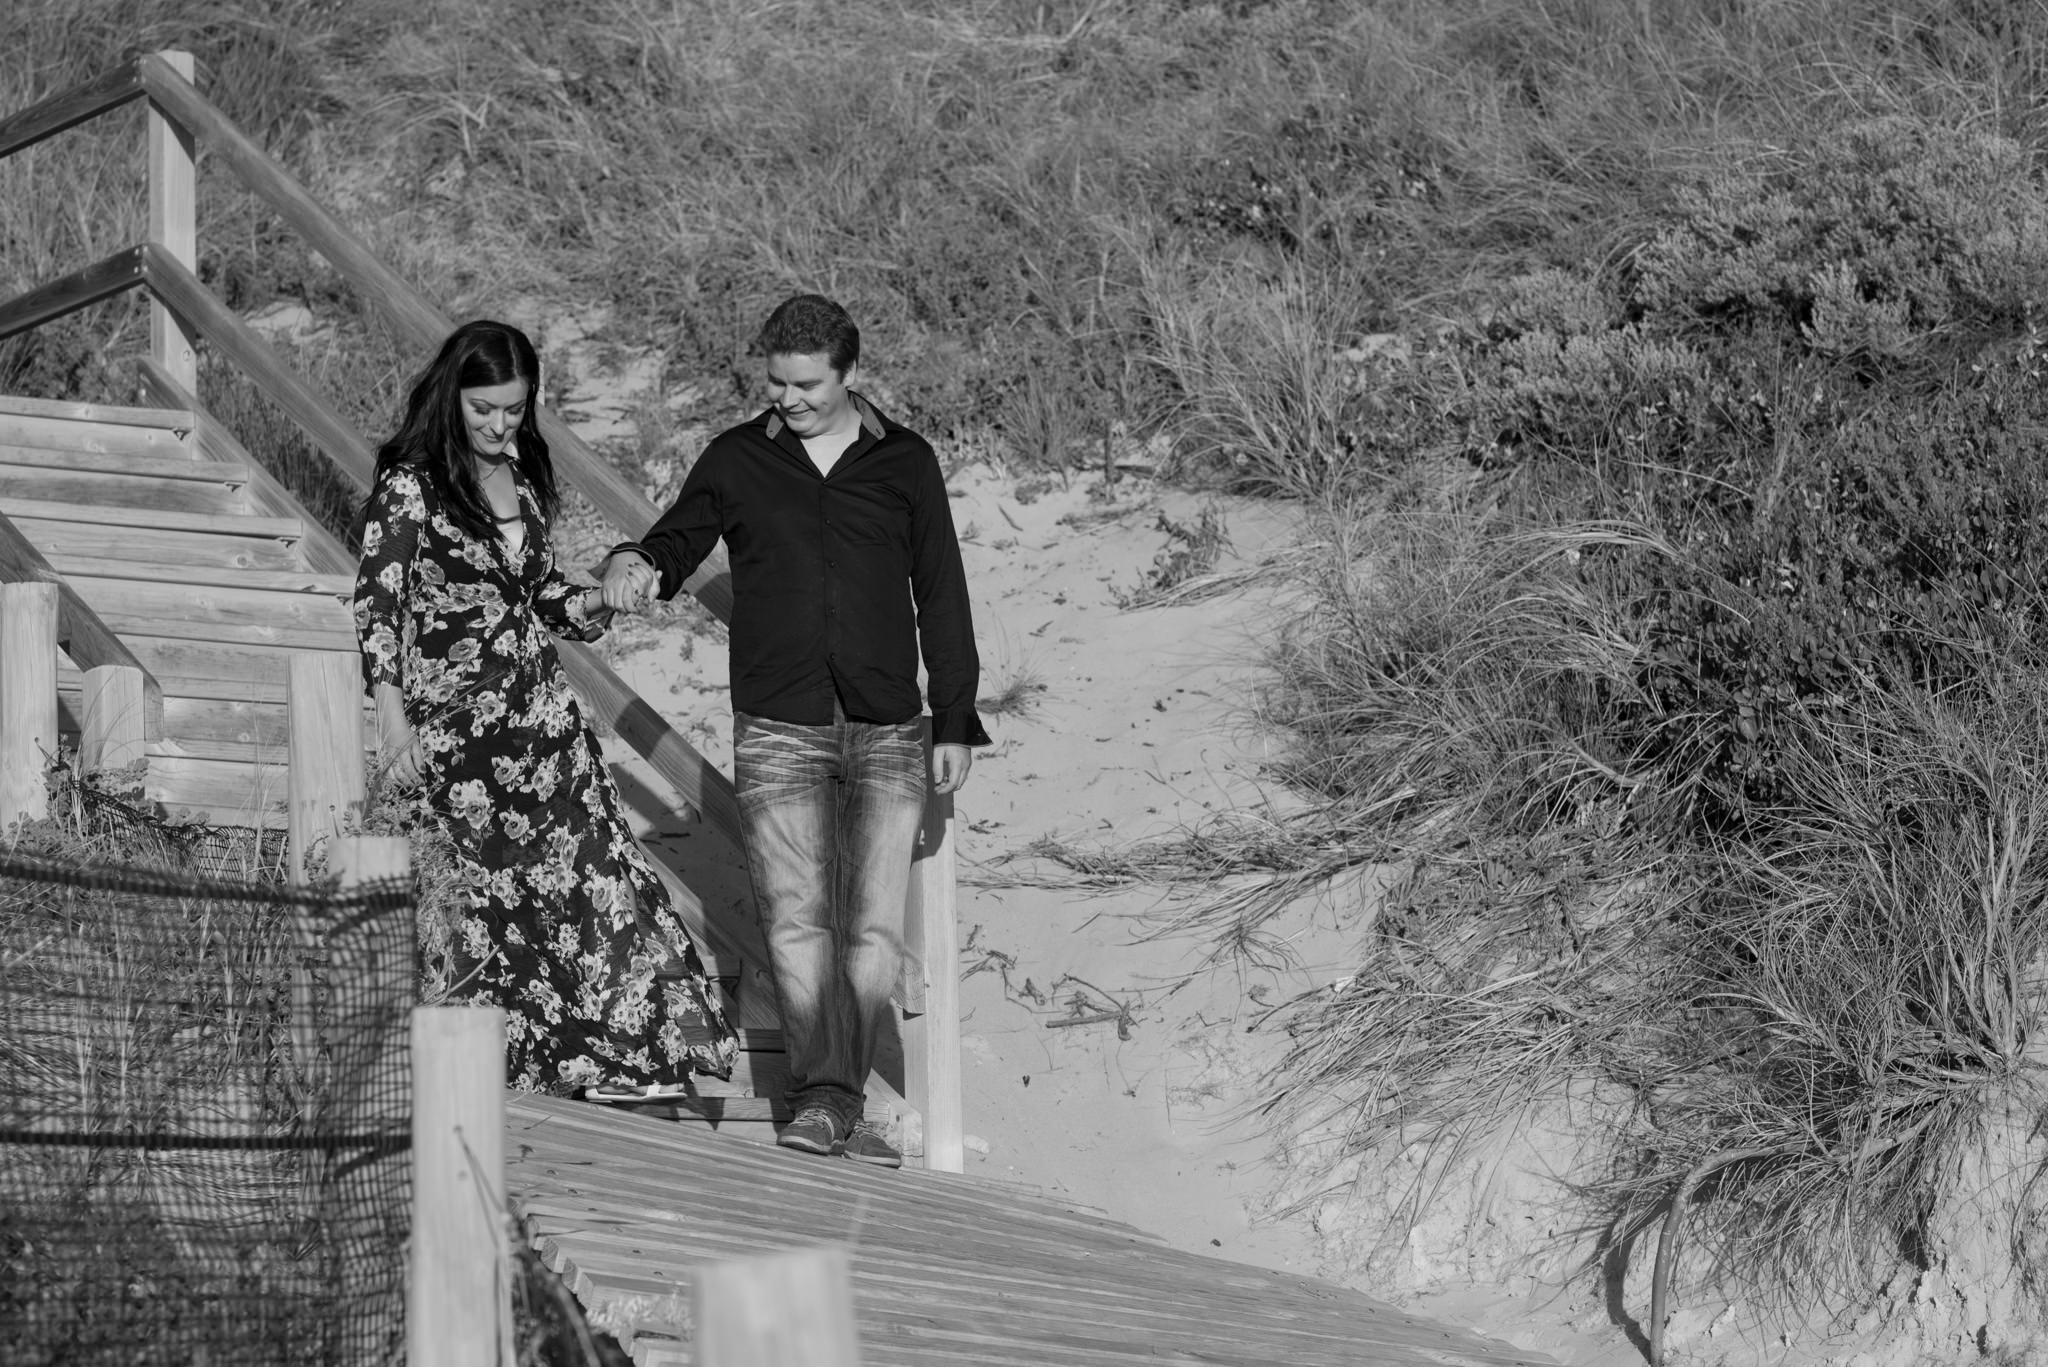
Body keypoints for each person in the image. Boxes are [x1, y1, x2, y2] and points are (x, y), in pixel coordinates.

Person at [598, 294, 989, 1167]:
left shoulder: (905, 462)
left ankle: (834, 1097)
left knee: (876, 926)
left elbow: (944, 592)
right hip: (779, 722)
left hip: (890, 724)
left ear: (850, 373)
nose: (789, 399)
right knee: (798, 921)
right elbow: (677, 539)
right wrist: (632, 561)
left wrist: (955, 715)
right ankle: (825, 1099)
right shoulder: (738, 458)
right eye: (776, 382)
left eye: (807, 384)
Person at [353, 319, 736, 1097]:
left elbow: (540, 596)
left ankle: (627, 1053)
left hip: (543, 725)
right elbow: (377, 609)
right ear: (452, 395)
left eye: (515, 409)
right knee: (493, 904)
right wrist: (392, 723)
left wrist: (600, 598)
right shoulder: (411, 487)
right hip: (459, 744)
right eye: (485, 408)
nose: (500, 425)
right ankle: (517, 1064)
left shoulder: (522, 478)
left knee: (594, 876)